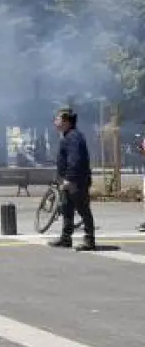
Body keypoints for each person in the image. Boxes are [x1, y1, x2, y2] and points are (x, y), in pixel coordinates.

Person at [51, 108, 96, 251]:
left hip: (76, 181)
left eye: (57, 119)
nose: (55, 121)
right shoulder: (67, 136)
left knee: (83, 209)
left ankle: (89, 240)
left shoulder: (73, 137)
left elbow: (74, 160)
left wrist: (69, 179)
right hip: (68, 180)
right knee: (67, 209)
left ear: (66, 120)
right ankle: (66, 238)